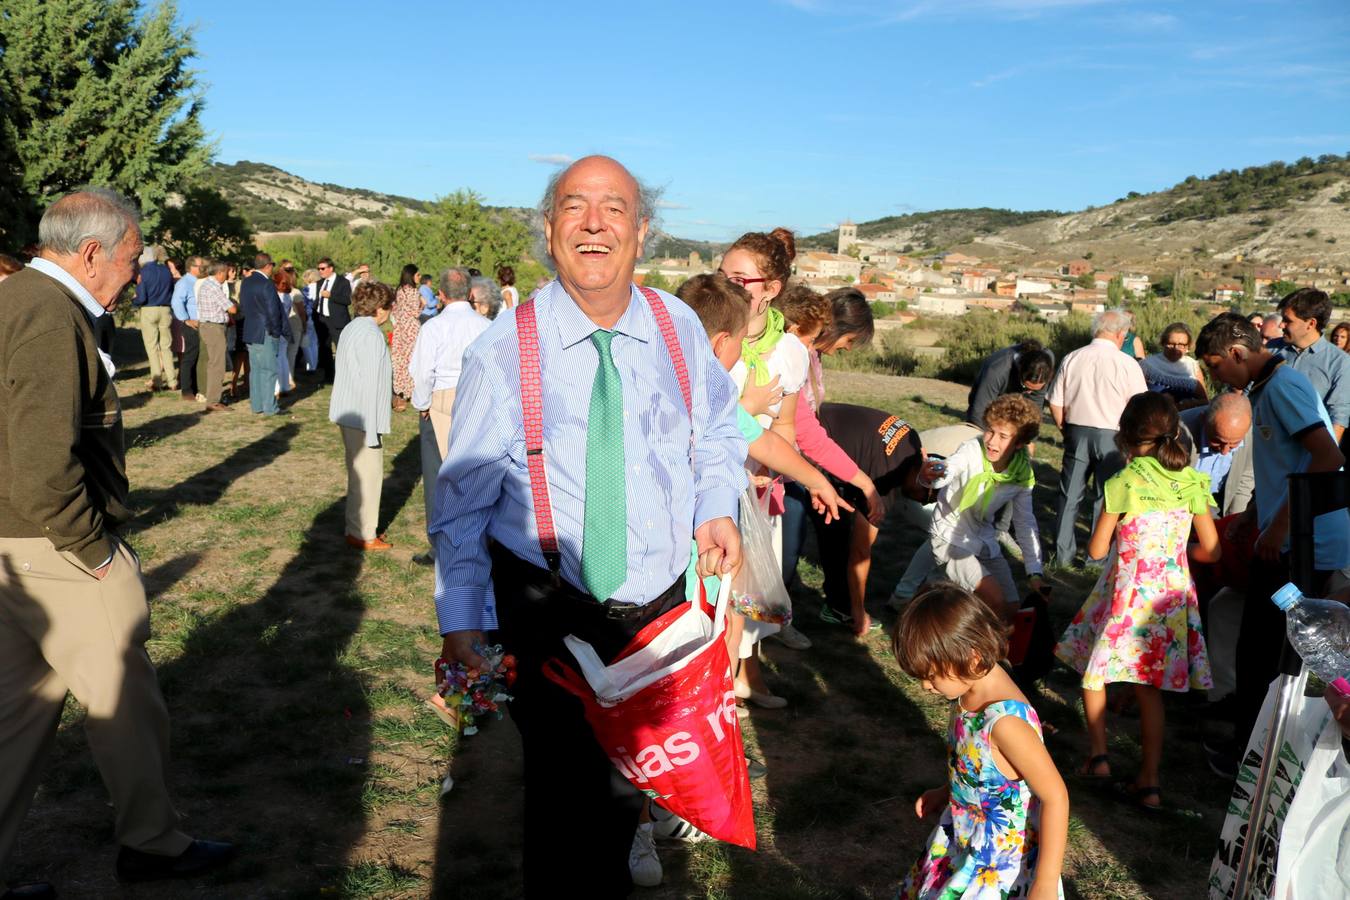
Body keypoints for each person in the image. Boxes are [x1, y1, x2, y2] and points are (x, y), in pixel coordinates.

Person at [431, 155, 746, 897]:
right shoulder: (501, 350)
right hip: (548, 604)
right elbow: (463, 503)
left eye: (614, 209)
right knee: (565, 799)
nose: (595, 222)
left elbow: (719, 432)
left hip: (661, 606)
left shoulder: (677, 326)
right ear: (550, 230)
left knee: (629, 786)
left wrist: (715, 506)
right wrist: (461, 619)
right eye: (576, 206)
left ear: (642, 233)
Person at [0, 189, 234, 894]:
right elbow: (45, 466)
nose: (140, 272)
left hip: (16, 545)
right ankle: (153, 842)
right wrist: (96, 553)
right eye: (133, 258)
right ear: (92, 252)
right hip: (53, 547)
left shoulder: (19, 301)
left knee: (18, 716)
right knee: (124, 702)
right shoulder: (46, 314)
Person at [677, 272, 852, 707]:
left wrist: (816, 480)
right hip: (692, 556)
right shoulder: (708, 394)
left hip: (681, 556)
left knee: (725, 624)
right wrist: (818, 481)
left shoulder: (699, 390)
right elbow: (760, 440)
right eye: (739, 340)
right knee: (711, 636)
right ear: (720, 343)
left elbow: (760, 440)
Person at [1194, 312, 1350, 776]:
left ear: (1239, 353)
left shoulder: (1283, 387)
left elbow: (1327, 456)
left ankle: (1253, 764)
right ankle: (1249, 753)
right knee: (1256, 648)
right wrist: (1256, 518)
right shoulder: (1267, 390)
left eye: (1217, 366)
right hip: (1286, 537)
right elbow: (1287, 465)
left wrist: (1280, 526)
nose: (1215, 377)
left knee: (1268, 656)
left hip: (1306, 546)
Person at [1054, 392, 1219, 809]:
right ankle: (1149, 782)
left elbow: (1094, 551)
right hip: (1169, 597)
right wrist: (1177, 556)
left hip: (1126, 592)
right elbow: (1212, 551)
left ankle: (1099, 757)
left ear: (1125, 437)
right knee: (1150, 690)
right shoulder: (1193, 482)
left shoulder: (1123, 482)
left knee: (1096, 673)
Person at [893, 584, 1067, 900]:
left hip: (996, 864)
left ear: (971, 657)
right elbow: (979, 767)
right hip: (963, 836)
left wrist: (1046, 880)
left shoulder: (1005, 724)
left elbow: (1055, 796)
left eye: (931, 676)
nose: (925, 686)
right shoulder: (968, 691)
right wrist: (946, 792)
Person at [779, 287, 881, 619]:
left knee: (805, 538)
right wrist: (863, 482)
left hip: (794, 462)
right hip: (781, 464)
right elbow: (805, 430)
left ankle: (778, 619)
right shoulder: (792, 351)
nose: (846, 349)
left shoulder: (810, 354)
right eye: (849, 341)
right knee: (785, 548)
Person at [927, 394, 1047, 616]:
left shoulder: (1022, 475)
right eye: (990, 430)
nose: (991, 441)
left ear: (1019, 442)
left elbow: (1025, 522)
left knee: (1011, 609)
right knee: (993, 599)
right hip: (950, 535)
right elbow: (951, 466)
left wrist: (1034, 571)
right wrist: (936, 472)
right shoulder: (972, 450)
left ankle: (992, 646)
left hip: (983, 539)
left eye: (1003, 436)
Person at [1046, 308, 1148, 566]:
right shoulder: (1127, 364)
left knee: (1069, 495)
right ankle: (1096, 557)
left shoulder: (1073, 357)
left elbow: (1055, 401)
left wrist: (1064, 429)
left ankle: (1062, 555)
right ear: (1122, 334)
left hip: (1076, 430)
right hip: (1114, 437)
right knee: (1107, 498)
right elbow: (1140, 407)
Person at [408, 267, 488, 565]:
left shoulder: (434, 327)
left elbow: (422, 370)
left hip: (442, 399)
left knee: (437, 476)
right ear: (469, 293)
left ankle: (441, 545)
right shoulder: (485, 325)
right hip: (476, 398)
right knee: (473, 474)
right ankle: (474, 540)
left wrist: (422, 403)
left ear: (440, 295)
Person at [330, 281, 395, 552]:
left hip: (349, 410)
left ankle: (356, 527)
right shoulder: (370, 335)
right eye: (389, 307)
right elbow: (371, 382)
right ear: (380, 309)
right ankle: (364, 533)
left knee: (359, 474)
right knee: (368, 476)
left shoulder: (352, 327)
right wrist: (372, 430)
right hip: (363, 416)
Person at [1273, 287, 1350, 443]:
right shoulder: (1270, 351)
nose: (1281, 325)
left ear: (1311, 324)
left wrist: (1325, 459)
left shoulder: (1339, 363)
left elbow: (1338, 416)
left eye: (1287, 320)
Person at [1179, 392, 1253, 518]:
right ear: (1203, 419)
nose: (1224, 451)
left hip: (1219, 501)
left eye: (1233, 444)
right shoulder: (1179, 432)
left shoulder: (1250, 435)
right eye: (1217, 441)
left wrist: (1233, 519)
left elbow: (1245, 480)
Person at [965, 339, 1055, 429]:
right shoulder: (996, 371)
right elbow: (978, 413)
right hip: (991, 395)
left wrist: (1028, 438)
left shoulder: (1045, 367)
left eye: (1035, 390)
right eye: (1026, 387)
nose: (1029, 393)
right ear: (1019, 369)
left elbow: (1036, 410)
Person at [238, 253, 285, 416]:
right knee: (269, 370)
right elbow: (273, 311)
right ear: (268, 266)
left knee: (256, 370)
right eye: (272, 265)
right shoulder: (266, 284)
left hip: (250, 329)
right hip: (265, 331)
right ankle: (270, 408)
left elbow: (242, 306)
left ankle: (257, 405)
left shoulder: (246, 282)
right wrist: (276, 332)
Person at [133, 246, 176, 391]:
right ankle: (172, 381)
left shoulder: (143, 272)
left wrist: (134, 300)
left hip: (148, 310)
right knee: (166, 347)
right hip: (165, 309)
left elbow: (142, 297)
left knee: (152, 348)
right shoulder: (165, 270)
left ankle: (157, 381)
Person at [195, 260, 236, 412]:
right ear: (219, 273)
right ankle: (213, 401)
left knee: (213, 363)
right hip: (214, 327)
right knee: (218, 365)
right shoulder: (213, 287)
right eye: (226, 272)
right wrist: (235, 304)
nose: (227, 275)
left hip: (207, 325)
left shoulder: (206, 284)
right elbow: (231, 309)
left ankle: (212, 397)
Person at [1139, 322, 1207, 404]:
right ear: (1163, 343)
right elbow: (1137, 398)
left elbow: (1204, 400)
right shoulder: (1148, 365)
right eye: (1171, 344)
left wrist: (1188, 403)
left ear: (1188, 346)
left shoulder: (1192, 366)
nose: (1175, 349)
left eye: (1181, 345)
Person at [169, 256, 204, 402]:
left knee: (198, 357)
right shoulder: (184, 283)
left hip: (203, 325)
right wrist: (186, 319)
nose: (203, 268)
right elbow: (176, 302)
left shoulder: (199, 282)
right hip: (191, 325)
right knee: (190, 357)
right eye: (200, 266)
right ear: (192, 267)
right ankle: (187, 390)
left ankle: (196, 388)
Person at [390, 263, 422, 412]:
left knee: (400, 359)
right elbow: (416, 312)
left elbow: (395, 309)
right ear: (412, 275)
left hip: (400, 327)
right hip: (411, 329)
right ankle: (409, 391)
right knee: (412, 359)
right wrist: (423, 304)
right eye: (418, 275)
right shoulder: (414, 292)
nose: (419, 277)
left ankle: (399, 391)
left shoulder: (400, 290)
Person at [314, 256, 351, 382]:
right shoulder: (320, 283)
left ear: (331, 268)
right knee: (324, 348)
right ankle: (329, 375)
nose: (320, 271)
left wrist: (331, 295)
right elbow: (317, 301)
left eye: (323, 268)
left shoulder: (342, 282)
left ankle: (343, 374)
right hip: (322, 320)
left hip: (337, 320)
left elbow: (347, 300)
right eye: (319, 268)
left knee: (341, 348)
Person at [270, 267, 298, 398]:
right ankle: (285, 385)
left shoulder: (277, 297)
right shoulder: (288, 296)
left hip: (278, 329)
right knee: (283, 358)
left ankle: (277, 388)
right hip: (286, 329)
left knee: (276, 358)